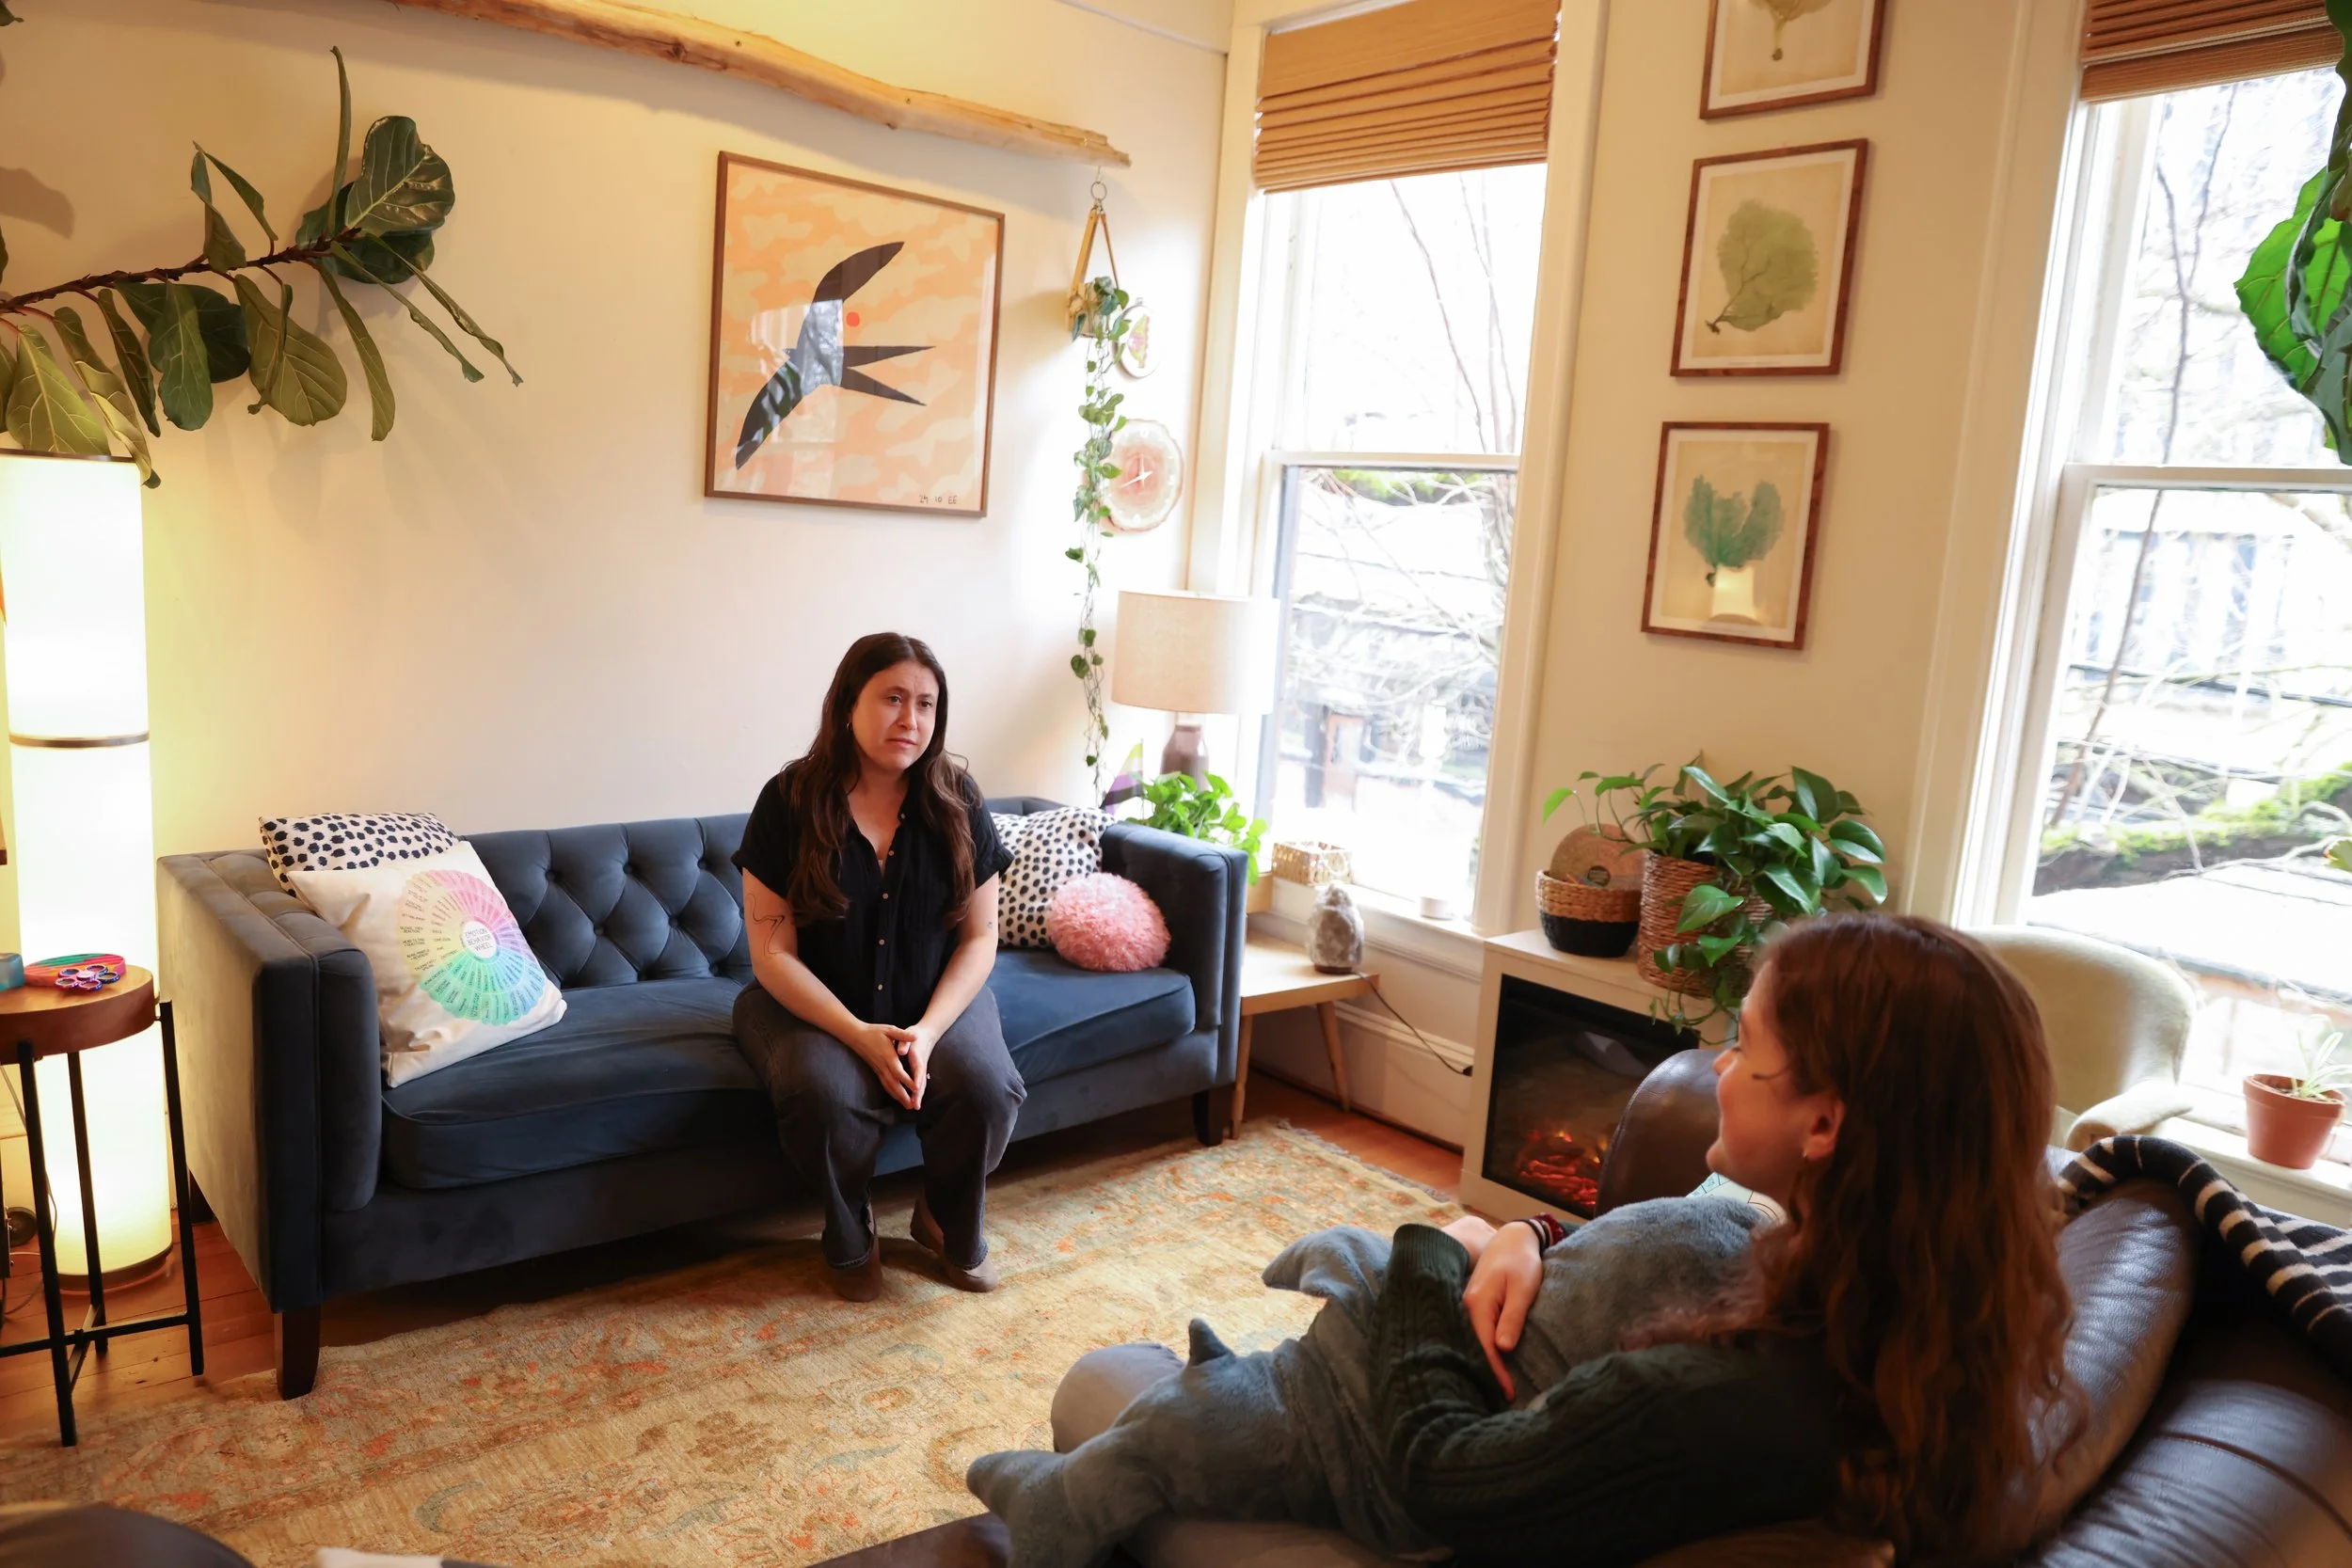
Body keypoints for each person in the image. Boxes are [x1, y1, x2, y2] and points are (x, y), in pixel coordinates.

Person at [970, 913, 2076, 1565]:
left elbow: (1447, 1476)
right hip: (1444, 1413)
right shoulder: (1920, 1302)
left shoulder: (1717, 1397)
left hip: (1398, 1511)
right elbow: (1631, 1259)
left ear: (1827, 1124)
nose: (1721, 1070)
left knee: (1108, 1384)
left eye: (1746, 1048)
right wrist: (1530, 1234)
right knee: (1201, 1386)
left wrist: (1435, 1245)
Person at [732, 632, 1021, 1302]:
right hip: (809, 1002)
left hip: (933, 997)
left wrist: (925, 1031)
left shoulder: (959, 800)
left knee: (986, 1087)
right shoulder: (789, 799)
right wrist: (859, 1032)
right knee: (823, 1095)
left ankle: (946, 1218)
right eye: (892, 698)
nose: (910, 720)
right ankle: (850, 1223)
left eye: (925, 703)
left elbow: (980, 938)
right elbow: (772, 952)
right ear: (847, 704)